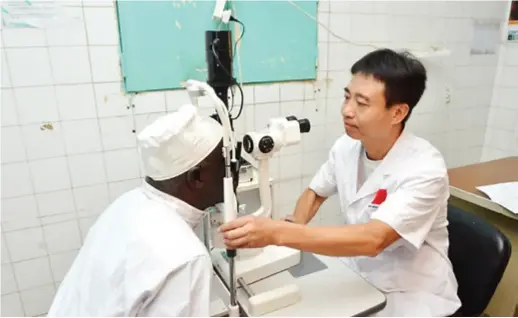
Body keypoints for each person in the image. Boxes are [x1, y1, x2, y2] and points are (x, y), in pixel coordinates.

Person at [219, 48, 461, 316]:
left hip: (412, 296)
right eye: (347, 97)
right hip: (359, 277)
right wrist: (295, 225)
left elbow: (374, 239)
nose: (347, 111)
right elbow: (316, 192)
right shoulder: (347, 146)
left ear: (397, 113)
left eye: (362, 103)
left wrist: (277, 232)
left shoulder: (425, 169)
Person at [48, 104, 235, 316]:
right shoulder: (187, 259)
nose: (234, 168)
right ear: (196, 177)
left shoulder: (127, 204)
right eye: (225, 162)